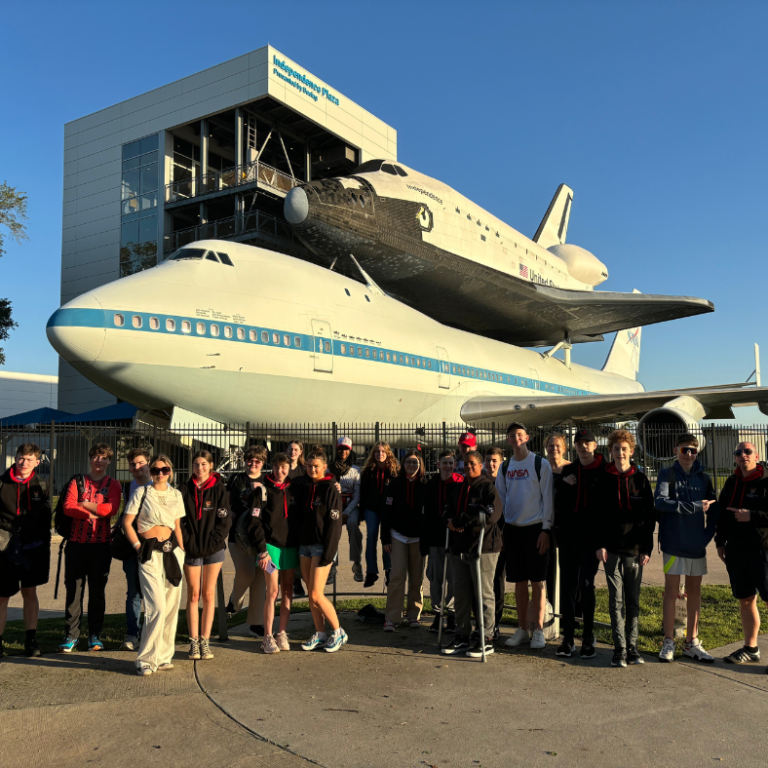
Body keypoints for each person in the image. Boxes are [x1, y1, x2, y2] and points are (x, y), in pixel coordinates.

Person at [655, 433, 718, 663]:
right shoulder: (666, 474)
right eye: (684, 450)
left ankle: (692, 641)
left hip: (696, 545)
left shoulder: (705, 478)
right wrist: (692, 507)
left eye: (693, 450)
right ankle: (669, 641)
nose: (689, 454)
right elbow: (660, 502)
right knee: (671, 592)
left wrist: (706, 537)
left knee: (695, 592)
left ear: (697, 452)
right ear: (676, 451)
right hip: (673, 544)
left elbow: (714, 510)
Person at [594, 429, 655, 668]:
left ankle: (632, 647)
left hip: (634, 549)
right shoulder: (603, 478)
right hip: (611, 549)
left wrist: (646, 548)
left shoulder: (640, 480)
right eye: (616, 449)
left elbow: (649, 517)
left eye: (624, 449)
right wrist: (599, 544)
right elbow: (597, 516)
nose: (620, 453)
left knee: (633, 600)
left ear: (631, 451)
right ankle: (619, 648)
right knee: (615, 600)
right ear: (611, 451)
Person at [123, 454, 186, 676]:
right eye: (155, 470)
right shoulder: (142, 492)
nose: (160, 473)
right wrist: (137, 546)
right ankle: (146, 659)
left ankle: (164, 656)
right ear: (150, 472)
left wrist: (182, 551)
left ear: (170, 471)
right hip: (149, 552)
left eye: (164, 470)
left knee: (171, 606)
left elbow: (177, 526)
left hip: (172, 552)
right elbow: (127, 523)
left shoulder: (176, 494)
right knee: (156, 606)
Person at [58, 443, 122, 653]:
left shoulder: (113, 484)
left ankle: (95, 635)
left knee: (97, 592)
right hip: (76, 545)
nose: (99, 461)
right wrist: (93, 512)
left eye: (103, 457)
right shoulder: (78, 481)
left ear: (109, 461)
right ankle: (71, 636)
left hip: (100, 546)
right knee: (74, 592)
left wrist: (84, 504)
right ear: (90, 458)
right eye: (95, 456)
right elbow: (68, 507)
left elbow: (111, 509)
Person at [495, 422, 553, 651]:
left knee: (538, 581)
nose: (516, 438)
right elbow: (500, 500)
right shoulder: (505, 467)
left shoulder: (540, 464)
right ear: (508, 440)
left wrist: (546, 530)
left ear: (527, 438)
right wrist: (501, 532)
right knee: (518, 581)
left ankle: (538, 629)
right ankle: (521, 628)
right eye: (512, 435)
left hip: (536, 530)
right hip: (512, 530)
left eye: (520, 435)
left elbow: (548, 499)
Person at [441, 450, 501, 657]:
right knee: (461, 593)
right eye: (465, 464)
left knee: (483, 593)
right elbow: (447, 510)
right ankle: (462, 635)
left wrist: (461, 521)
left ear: (480, 465)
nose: (468, 467)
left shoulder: (487, 487)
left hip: (482, 547)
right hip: (459, 547)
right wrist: (449, 521)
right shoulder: (459, 487)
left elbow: (490, 514)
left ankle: (486, 637)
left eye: (472, 463)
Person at [715, 441, 768, 666]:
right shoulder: (732, 481)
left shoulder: (766, 480)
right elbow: (722, 514)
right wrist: (720, 542)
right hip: (736, 550)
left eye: (747, 452)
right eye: (738, 452)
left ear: (756, 455)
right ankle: (751, 648)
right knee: (746, 600)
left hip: (763, 550)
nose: (743, 455)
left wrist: (751, 516)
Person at [554, 429, 605, 659]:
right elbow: (558, 504)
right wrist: (564, 485)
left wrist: (603, 542)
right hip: (568, 537)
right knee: (568, 586)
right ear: (574, 447)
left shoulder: (604, 471)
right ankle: (567, 637)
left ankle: (587, 636)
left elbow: (607, 508)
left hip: (591, 539)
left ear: (594, 446)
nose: (583, 447)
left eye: (587, 443)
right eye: (579, 443)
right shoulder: (569, 471)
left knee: (586, 584)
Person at [293, 449, 347, 652]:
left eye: (316, 466)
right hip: (304, 546)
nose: (312, 469)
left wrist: (329, 553)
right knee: (311, 594)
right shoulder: (304, 485)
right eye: (309, 466)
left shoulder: (331, 488)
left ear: (325, 467)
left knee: (316, 594)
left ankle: (338, 632)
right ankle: (321, 633)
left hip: (321, 547)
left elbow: (335, 524)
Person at [0, 443, 51, 658]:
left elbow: (46, 518)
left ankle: (30, 640)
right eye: (21, 457)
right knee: (2, 596)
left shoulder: (42, 485)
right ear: (16, 458)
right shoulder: (2, 482)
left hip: (33, 548)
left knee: (29, 592)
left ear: (37, 462)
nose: (24, 462)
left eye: (29, 459)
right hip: (5, 546)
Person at [180, 450, 231, 661]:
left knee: (209, 594)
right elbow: (179, 520)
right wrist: (188, 542)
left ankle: (205, 641)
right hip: (192, 548)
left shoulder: (219, 489)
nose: (199, 468)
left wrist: (212, 543)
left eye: (203, 464)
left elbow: (224, 520)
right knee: (193, 594)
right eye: (196, 464)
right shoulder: (184, 489)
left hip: (214, 549)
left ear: (211, 466)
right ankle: (193, 642)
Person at [247, 453, 300, 654]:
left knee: (287, 590)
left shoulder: (295, 489)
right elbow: (254, 522)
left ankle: (282, 633)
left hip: (290, 548)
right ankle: (267, 636)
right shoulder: (262, 491)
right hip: (270, 549)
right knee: (272, 591)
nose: (280, 471)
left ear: (289, 468)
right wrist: (262, 551)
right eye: (277, 467)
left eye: (284, 467)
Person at [382, 450, 427, 630]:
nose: (411, 465)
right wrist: (385, 538)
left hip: (418, 538)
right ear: (403, 464)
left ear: (420, 465)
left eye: (415, 462)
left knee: (417, 578)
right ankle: (392, 617)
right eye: (408, 462)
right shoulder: (394, 484)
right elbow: (386, 512)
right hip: (397, 535)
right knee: (397, 576)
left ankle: (414, 615)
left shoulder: (425, 485)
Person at [225, 447, 267, 637]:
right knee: (246, 572)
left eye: (257, 461)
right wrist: (228, 513)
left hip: (259, 537)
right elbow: (225, 500)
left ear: (263, 463)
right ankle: (234, 603)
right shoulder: (236, 479)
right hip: (238, 536)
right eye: (250, 460)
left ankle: (256, 624)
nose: (253, 464)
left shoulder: (266, 481)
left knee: (260, 580)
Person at [422, 450, 463, 633]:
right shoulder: (431, 484)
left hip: (454, 539)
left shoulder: (460, 483)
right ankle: (437, 614)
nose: (448, 466)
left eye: (451, 463)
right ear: (438, 465)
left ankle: (452, 615)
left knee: (453, 579)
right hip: (436, 539)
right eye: (444, 463)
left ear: (454, 465)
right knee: (436, 579)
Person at [120, 447, 152, 652]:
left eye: (141, 463)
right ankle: (133, 633)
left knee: (153, 592)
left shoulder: (157, 484)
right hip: (132, 545)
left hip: (153, 545)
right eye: (133, 464)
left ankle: (151, 633)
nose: (137, 467)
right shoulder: (127, 487)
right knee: (134, 592)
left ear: (149, 463)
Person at [359, 442, 399, 587]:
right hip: (372, 509)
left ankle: (389, 570)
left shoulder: (395, 471)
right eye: (377, 451)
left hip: (388, 510)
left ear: (388, 453)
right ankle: (371, 572)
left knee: (386, 538)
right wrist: (362, 510)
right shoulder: (368, 471)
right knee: (371, 536)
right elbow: (363, 492)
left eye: (383, 451)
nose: (380, 454)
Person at [330, 437, 363, 583]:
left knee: (353, 524)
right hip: (334, 505)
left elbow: (357, 496)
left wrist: (346, 513)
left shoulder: (355, 470)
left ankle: (356, 562)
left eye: (346, 449)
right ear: (337, 449)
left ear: (350, 451)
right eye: (341, 448)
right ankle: (332, 565)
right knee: (332, 527)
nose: (343, 451)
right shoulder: (329, 469)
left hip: (350, 505)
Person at [484, 447, 506, 641]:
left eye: (494, 460)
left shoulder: (506, 482)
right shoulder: (480, 483)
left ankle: (495, 622)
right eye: (488, 460)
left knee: (497, 581)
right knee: (482, 583)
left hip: (500, 540)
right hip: (482, 541)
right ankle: (482, 622)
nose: (491, 464)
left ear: (501, 461)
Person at [287, 441, 307, 597]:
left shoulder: (304, 470)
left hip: (301, 515)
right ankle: (293, 581)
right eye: (290, 449)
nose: (292, 452)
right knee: (290, 549)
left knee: (301, 550)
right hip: (285, 515)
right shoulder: (282, 468)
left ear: (300, 452)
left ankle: (300, 579)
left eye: (295, 450)